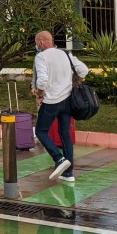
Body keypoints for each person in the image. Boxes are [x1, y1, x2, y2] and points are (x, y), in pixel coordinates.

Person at [32, 30, 88, 183]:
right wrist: (72, 82)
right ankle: (68, 174)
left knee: (41, 131)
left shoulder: (41, 57)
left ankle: (58, 158)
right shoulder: (65, 54)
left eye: (37, 43)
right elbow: (83, 70)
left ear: (41, 43)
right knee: (65, 136)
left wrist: (40, 94)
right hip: (68, 101)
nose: (37, 46)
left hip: (52, 102)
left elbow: (42, 80)